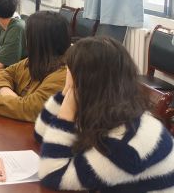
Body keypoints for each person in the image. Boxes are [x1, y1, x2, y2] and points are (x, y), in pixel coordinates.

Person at [34, 37, 174, 191]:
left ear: (90, 84)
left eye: (71, 74)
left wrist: (65, 114)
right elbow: (41, 134)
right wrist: (66, 92)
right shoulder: (109, 111)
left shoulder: (127, 144)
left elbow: (52, 175)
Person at [0, 11, 69, 122]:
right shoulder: (35, 60)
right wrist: (6, 90)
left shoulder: (63, 75)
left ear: (37, 41)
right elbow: (2, 73)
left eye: (28, 36)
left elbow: (28, 109)